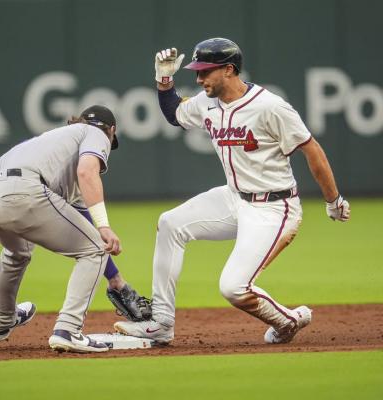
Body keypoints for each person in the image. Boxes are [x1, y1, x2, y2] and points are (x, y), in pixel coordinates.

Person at [114, 38, 351, 345]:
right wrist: (164, 81)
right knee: (170, 224)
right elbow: (175, 114)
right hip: (233, 197)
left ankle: (289, 321)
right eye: (197, 72)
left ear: (228, 70)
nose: (199, 79)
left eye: (205, 72)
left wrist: (333, 200)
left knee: (233, 287)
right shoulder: (207, 102)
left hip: (273, 208)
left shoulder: (270, 106)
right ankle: (161, 323)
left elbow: (312, 149)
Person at [0, 105, 149, 353]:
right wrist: (105, 226)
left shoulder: (56, 142)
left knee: (17, 253)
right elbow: (88, 172)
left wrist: (115, 279)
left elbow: (81, 219)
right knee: (95, 250)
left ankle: (2, 321)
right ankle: (68, 330)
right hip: (22, 192)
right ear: (111, 131)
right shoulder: (96, 133)